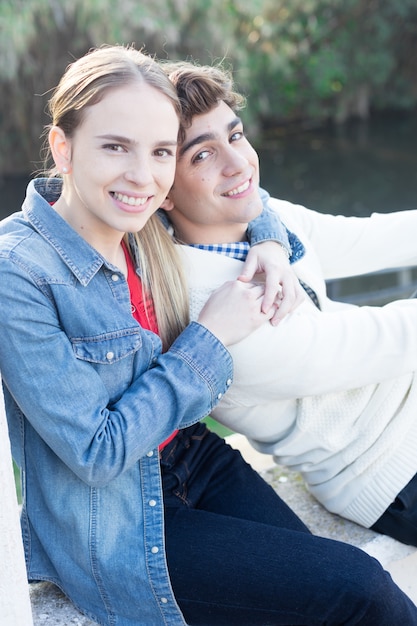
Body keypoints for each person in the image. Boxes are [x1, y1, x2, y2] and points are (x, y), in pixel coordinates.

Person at [1, 45, 416, 626]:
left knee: (325, 594)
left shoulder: (143, 220)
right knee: (359, 588)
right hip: (111, 515)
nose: (142, 174)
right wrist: (208, 337)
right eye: (115, 147)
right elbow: (96, 452)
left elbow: (243, 195)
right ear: (62, 148)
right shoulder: (19, 271)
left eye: (161, 152)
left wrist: (270, 240)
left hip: (195, 458)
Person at [160, 59, 417, 549]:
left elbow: (367, 238)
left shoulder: (258, 221)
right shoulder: (213, 308)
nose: (237, 164)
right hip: (392, 471)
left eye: (235, 137)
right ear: (162, 189)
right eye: (201, 156)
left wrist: (270, 235)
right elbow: (375, 343)